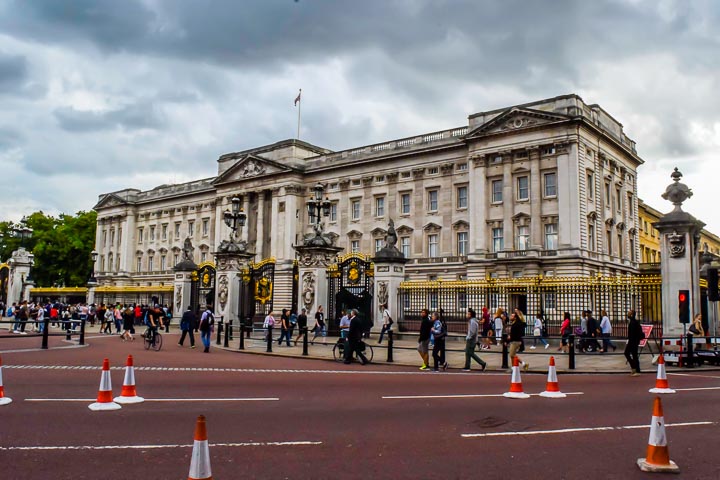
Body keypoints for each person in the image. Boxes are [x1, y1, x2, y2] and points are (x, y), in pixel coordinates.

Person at [625, 309, 643, 376]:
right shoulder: (634, 322)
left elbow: (632, 334)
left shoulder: (633, 322)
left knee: (627, 353)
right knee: (634, 355)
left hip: (633, 342)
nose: (628, 314)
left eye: (629, 313)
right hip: (634, 341)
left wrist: (630, 341)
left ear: (632, 315)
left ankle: (635, 368)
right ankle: (636, 369)